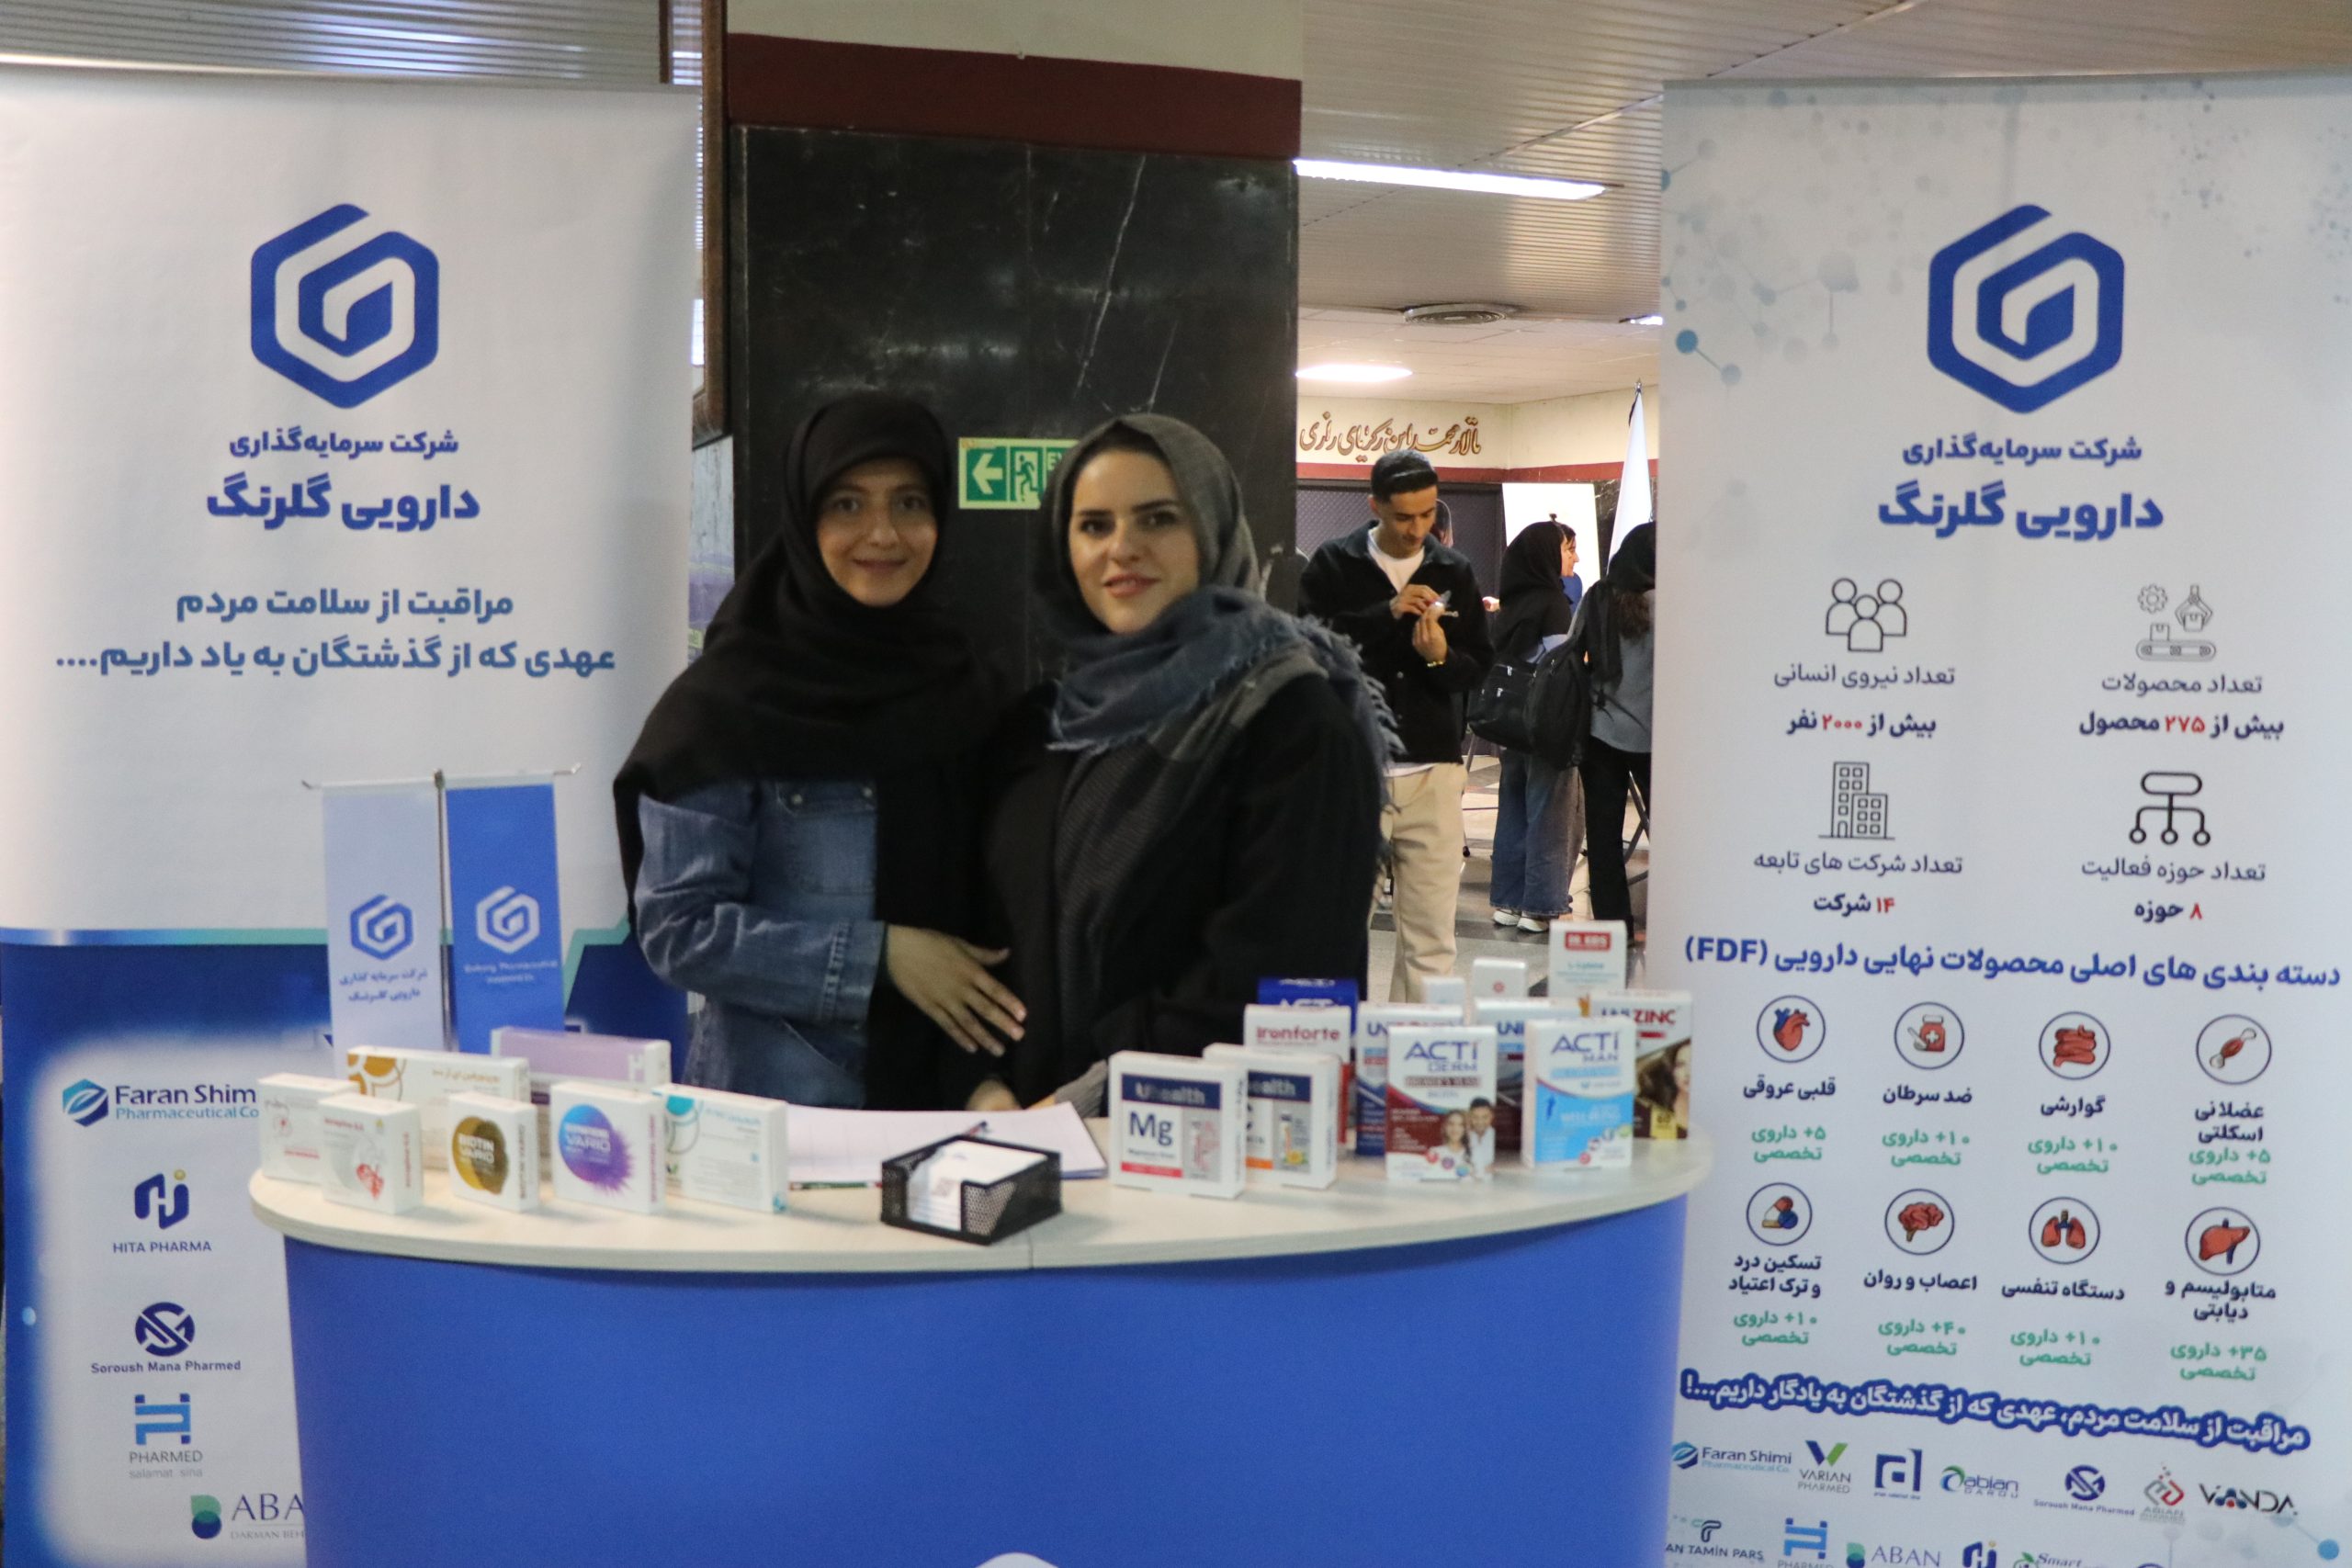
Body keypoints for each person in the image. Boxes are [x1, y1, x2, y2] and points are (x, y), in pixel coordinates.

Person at [615, 394, 1023, 1110]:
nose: (882, 533)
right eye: (846, 504)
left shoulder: (973, 687)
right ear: (805, 517)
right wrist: (881, 955)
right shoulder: (727, 704)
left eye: (909, 502)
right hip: (777, 1121)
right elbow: (679, 928)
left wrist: (986, 1079)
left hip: (946, 1119)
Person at [980, 414, 1387, 1113]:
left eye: (1158, 519)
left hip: (1196, 1134)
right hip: (1025, 1127)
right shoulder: (1051, 723)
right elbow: (991, 932)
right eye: (1094, 525)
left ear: (1212, 528)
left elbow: (1277, 980)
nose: (1122, 548)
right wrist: (980, 1083)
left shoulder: (1292, 725)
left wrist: (1088, 1099)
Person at [1298, 449, 1492, 1001]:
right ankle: (1333, 1047)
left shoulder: (1454, 570)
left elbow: (1477, 665)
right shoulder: (1334, 564)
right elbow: (1306, 648)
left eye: (1428, 514)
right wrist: (1384, 615)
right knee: (1335, 934)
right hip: (1353, 772)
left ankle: (1416, 1052)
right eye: (1404, 516)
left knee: (1431, 941)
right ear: (1375, 507)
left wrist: (1439, 657)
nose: (1417, 528)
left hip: (1433, 773)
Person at [1487, 521, 1585, 932]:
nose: (1575, 558)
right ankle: (1541, 906)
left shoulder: (1512, 604)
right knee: (1552, 812)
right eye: (1568, 549)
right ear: (1547, 554)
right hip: (1547, 724)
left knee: (1513, 809)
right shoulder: (1553, 603)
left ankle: (1507, 902)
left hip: (1510, 723)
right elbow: (1558, 663)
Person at [1571, 521, 1656, 931]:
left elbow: (1572, 651)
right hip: (1657, 739)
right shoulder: (1677, 603)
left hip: (1601, 731)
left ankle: (1612, 926)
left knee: (1603, 836)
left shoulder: (1597, 596)